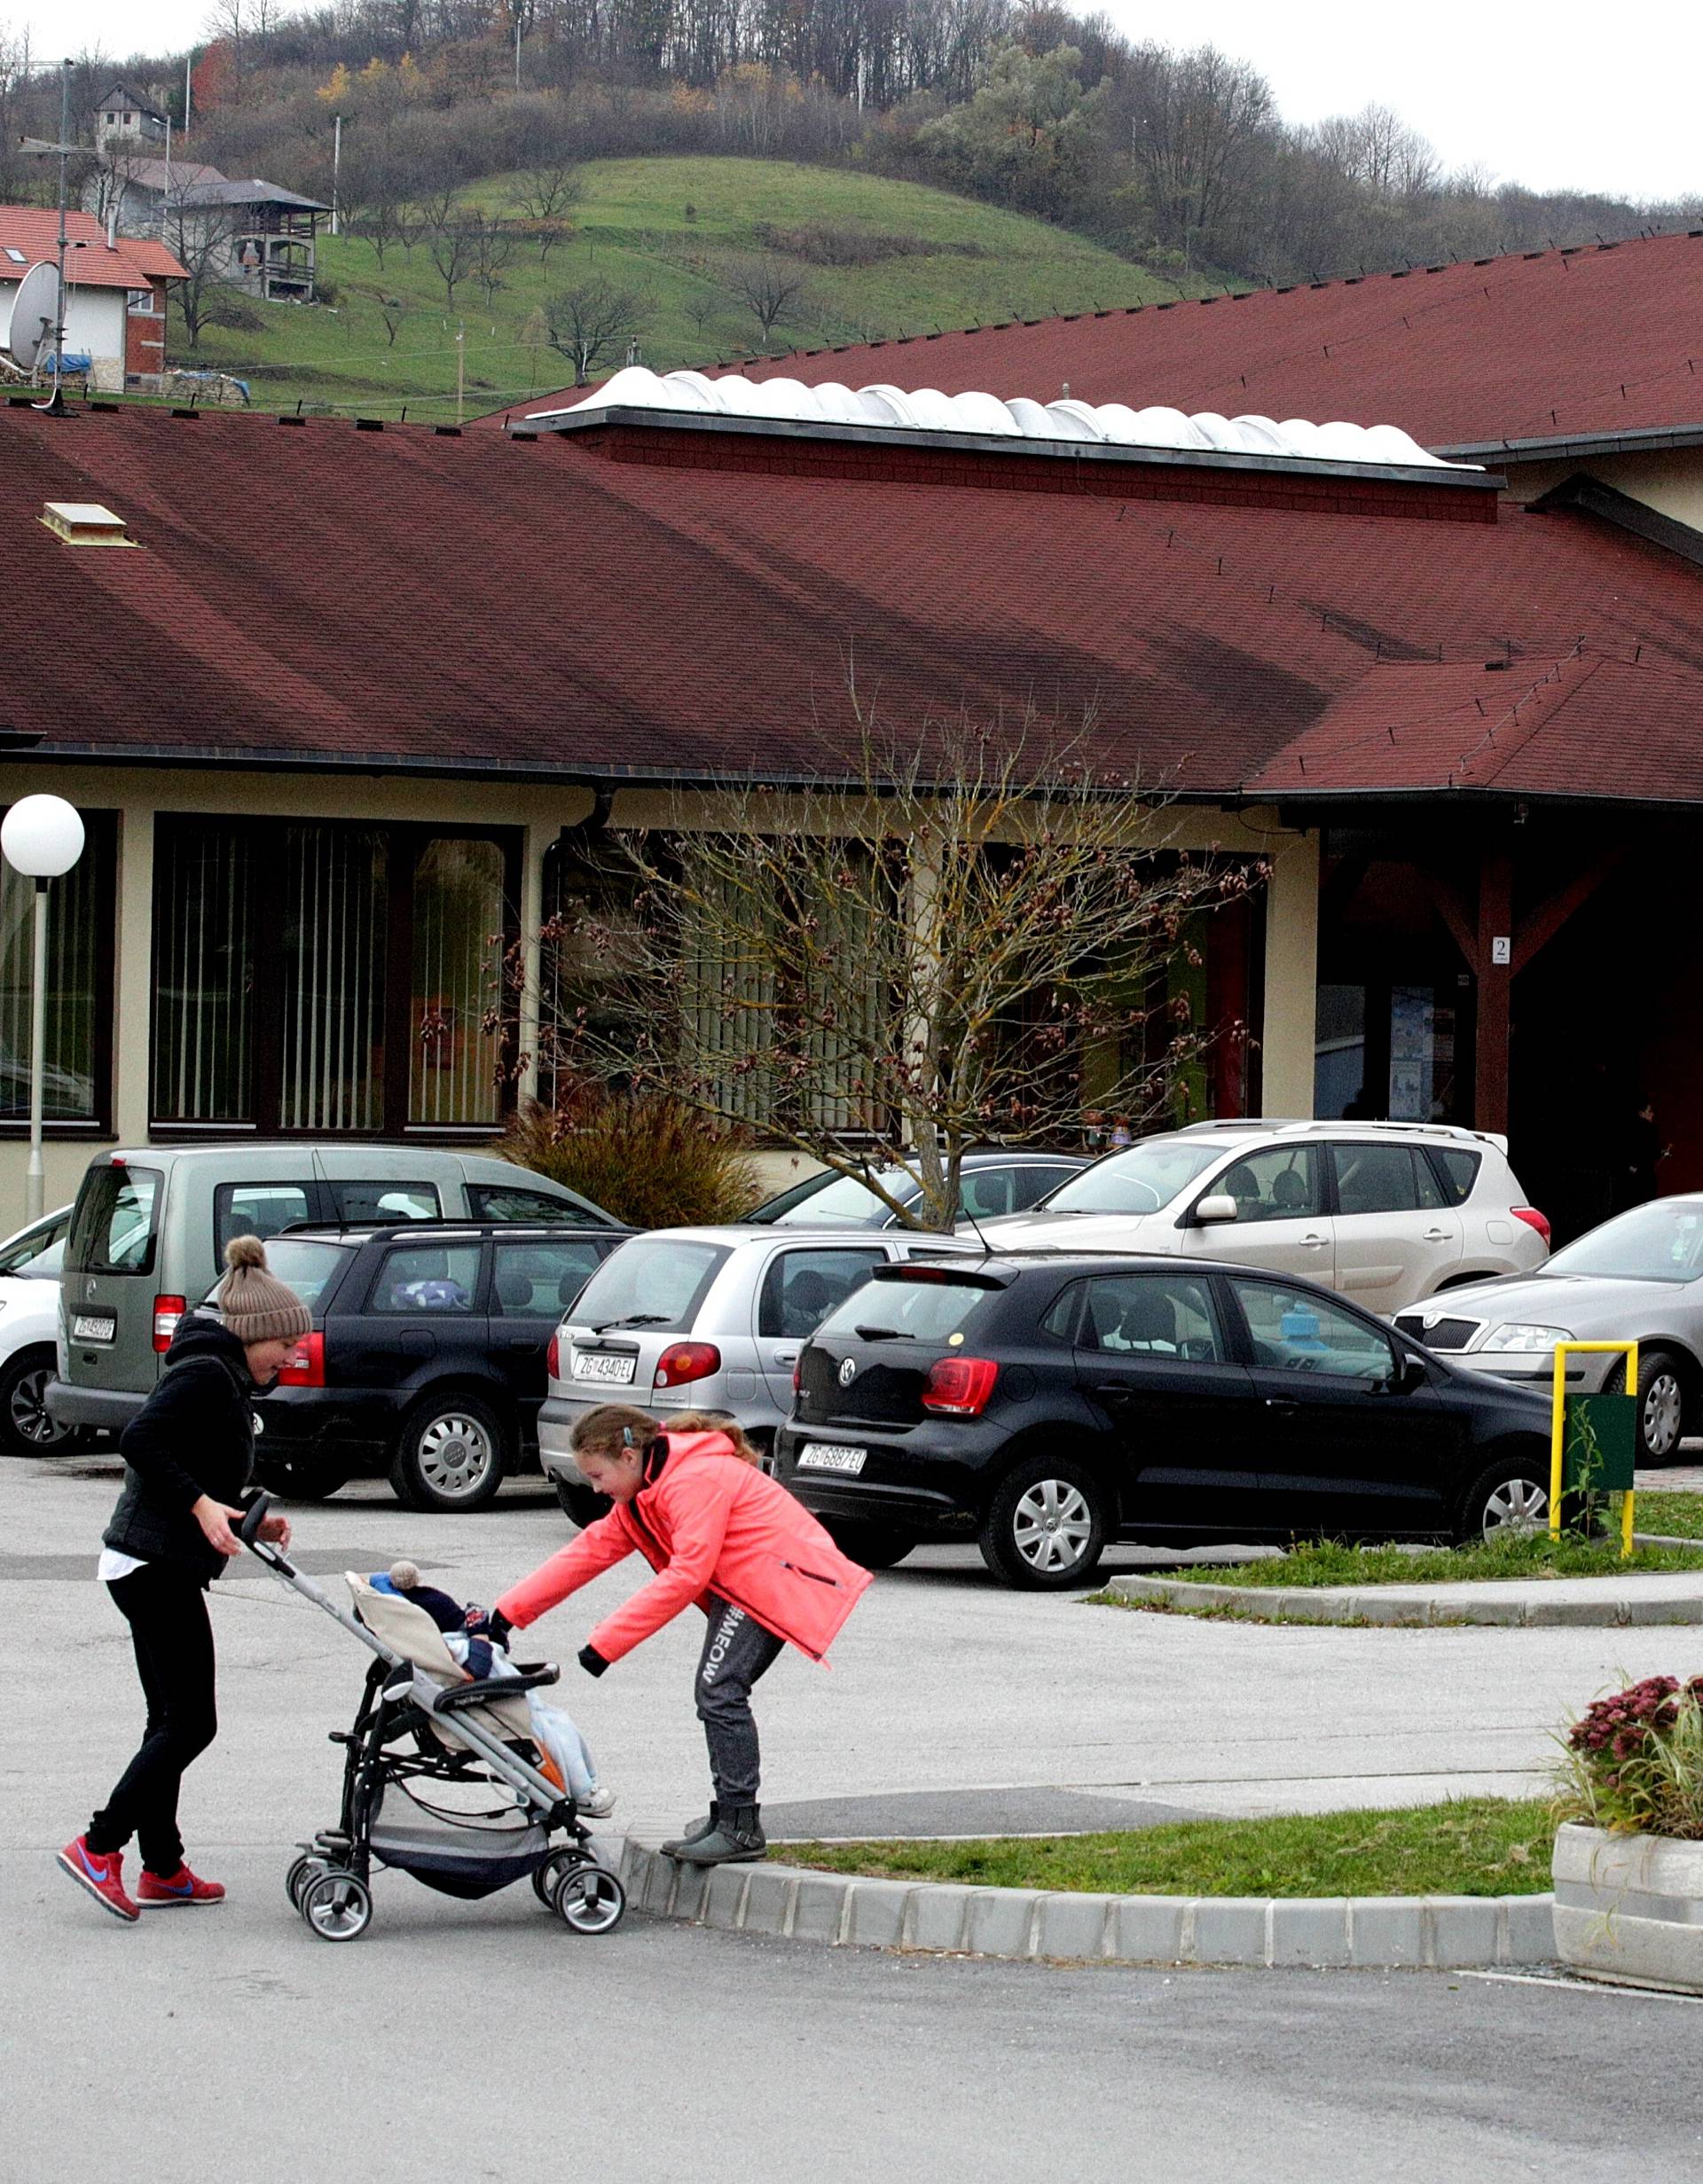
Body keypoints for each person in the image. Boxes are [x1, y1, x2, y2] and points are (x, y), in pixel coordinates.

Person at [488, 1403, 872, 1867]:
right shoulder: (644, 1490)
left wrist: (605, 1644)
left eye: (597, 1475)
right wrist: (506, 1615)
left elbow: (688, 1573)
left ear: (628, 1459)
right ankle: (729, 1818)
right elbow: (587, 1553)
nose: (595, 1487)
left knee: (720, 1691)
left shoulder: (693, 1479)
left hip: (774, 1583)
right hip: (748, 1583)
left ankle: (740, 1827)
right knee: (718, 1692)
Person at [58, 1235, 301, 1922]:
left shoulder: (218, 1373)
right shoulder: (205, 1374)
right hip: (151, 1564)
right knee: (193, 1722)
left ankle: (162, 1866)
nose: (291, 1355)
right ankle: (99, 1846)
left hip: (148, 1561)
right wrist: (198, 1504)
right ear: (255, 1333)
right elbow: (141, 1441)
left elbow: (193, 1465)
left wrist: (247, 1520)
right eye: (285, 1344)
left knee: (168, 1718)